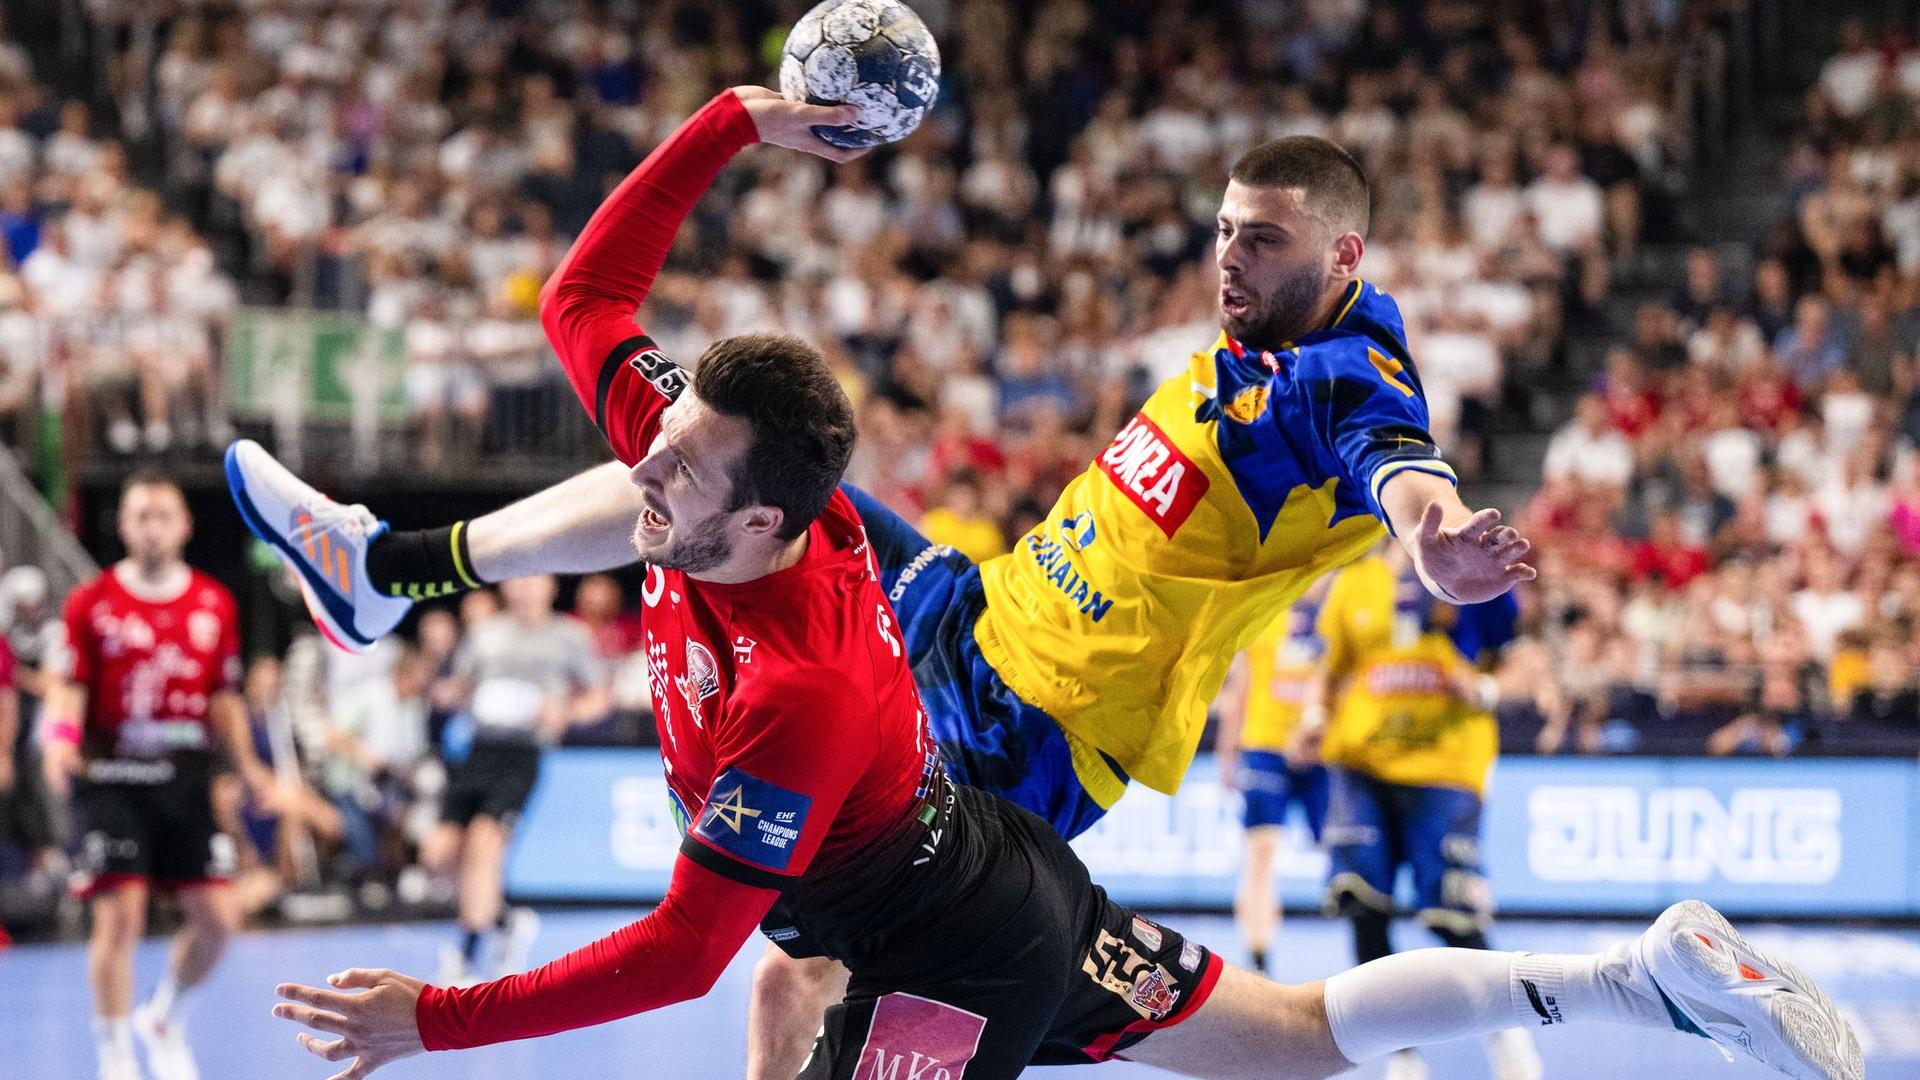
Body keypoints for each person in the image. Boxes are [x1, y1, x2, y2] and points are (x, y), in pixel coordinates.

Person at [261, 84, 1860, 1080]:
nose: (1231, 260)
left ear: (1346, 263)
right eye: (1226, 230)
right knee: (1281, 1050)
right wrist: (741, 118)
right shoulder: (1236, 343)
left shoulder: (1338, 378)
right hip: (978, 604)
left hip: (1027, 737)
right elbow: (595, 307)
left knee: (790, 966)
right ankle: (387, 572)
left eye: (1270, 241)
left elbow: (1399, 456)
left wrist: (1435, 532)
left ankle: (392, 575)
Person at [44, 469, 274, 1080]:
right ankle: (115, 1055)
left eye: (163, 515)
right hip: (111, 777)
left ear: (184, 526)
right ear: (122, 524)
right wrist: (60, 742)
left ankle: (165, 1017)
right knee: (121, 914)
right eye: (140, 515)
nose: (151, 527)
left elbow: (224, 699)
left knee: (221, 921)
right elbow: (71, 688)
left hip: (187, 778)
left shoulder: (212, 603)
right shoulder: (90, 603)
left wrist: (251, 768)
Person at [1308, 543, 1536, 1080]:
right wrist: (1315, 716)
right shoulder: (1355, 581)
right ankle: (1401, 1054)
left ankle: (1509, 1036)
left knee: (1452, 912)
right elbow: (1332, 668)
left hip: (1444, 766)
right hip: (1360, 763)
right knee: (1363, 902)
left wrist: (1482, 688)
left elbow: (1525, 664)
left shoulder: (1474, 575)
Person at [421, 574, 605, 984]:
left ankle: (466, 958)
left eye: (534, 578)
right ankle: (504, 921)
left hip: (522, 754)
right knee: (438, 855)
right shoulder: (485, 634)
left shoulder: (568, 636)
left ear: (551, 585)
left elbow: (598, 698)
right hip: (479, 751)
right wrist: (447, 693)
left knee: (485, 847)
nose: (525, 587)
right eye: (517, 578)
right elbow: (463, 688)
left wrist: (564, 713)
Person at [1213, 578, 1331, 977]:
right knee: (1261, 855)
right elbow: (1242, 688)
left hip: (1321, 749)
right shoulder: (1265, 614)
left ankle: (1367, 952)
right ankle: (1259, 956)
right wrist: (1227, 751)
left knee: (1339, 852)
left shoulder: (1333, 616)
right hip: (1265, 746)